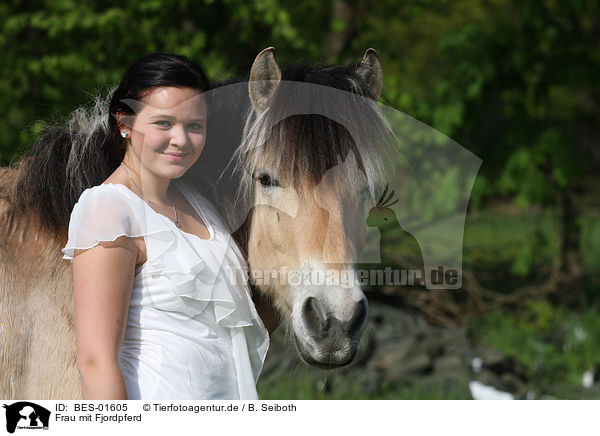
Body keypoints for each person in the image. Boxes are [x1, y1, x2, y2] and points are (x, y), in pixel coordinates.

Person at [60, 54, 270, 400]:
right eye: (163, 123)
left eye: (194, 126)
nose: (181, 140)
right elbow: (96, 361)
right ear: (125, 123)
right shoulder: (109, 209)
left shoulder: (200, 205)